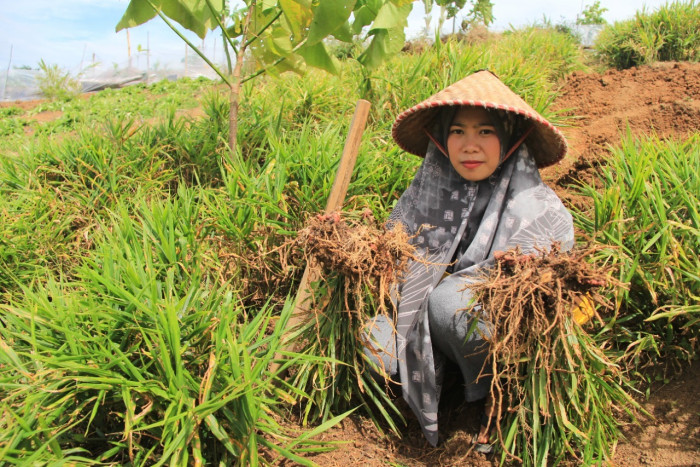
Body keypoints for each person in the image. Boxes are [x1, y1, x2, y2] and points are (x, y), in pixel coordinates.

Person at [364, 70, 574, 452]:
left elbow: (539, 299)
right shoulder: (424, 193)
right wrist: (355, 251)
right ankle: (410, 404)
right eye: (457, 131)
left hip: (492, 339)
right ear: (442, 139)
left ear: (510, 137)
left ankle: (492, 398)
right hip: (421, 325)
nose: (469, 145)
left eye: (485, 132)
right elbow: (389, 261)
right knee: (371, 342)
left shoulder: (540, 212)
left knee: (450, 305)